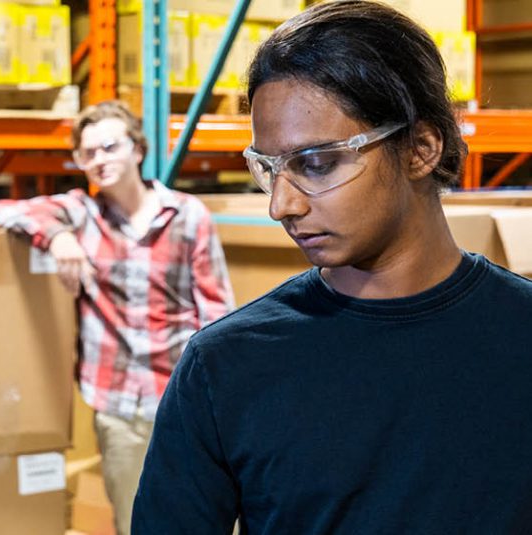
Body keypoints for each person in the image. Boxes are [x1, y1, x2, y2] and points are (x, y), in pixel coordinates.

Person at [132, 1, 532, 533]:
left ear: (421, 148)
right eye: (268, 169)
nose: (282, 205)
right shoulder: (226, 367)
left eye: (316, 164)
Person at [0, 100, 235, 535]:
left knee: (198, 522)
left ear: (137, 149)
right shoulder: (83, 215)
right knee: (135, 523)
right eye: (88, 153)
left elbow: (217, 313)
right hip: (117, 409)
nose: (99, 160)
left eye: (110, 147)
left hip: (180, 401)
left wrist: (219, 396)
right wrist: (58, 236)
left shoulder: (187, 215)